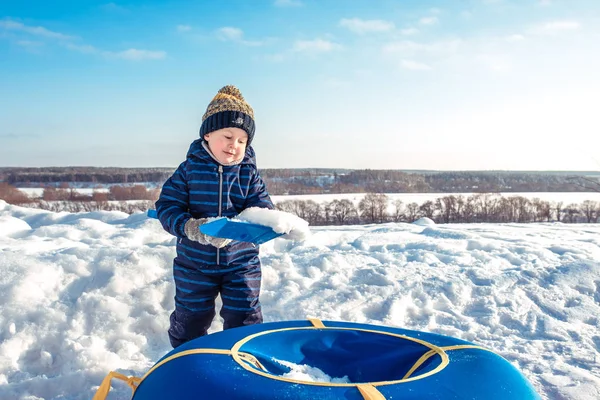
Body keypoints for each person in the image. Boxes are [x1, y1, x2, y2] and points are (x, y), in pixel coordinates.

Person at [155, 85, 273, 348]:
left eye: (242, 140)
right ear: (208, 134)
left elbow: (263, 209)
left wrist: (265, 225)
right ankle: (187, 362)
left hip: (242, 262)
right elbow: (167, 207)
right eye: (228, 136)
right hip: (194, 264)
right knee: (191, 319)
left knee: (246, 318)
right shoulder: (189, 171)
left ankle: (244, 363)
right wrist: (192, 227)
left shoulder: (248, 175)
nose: (235, 145)